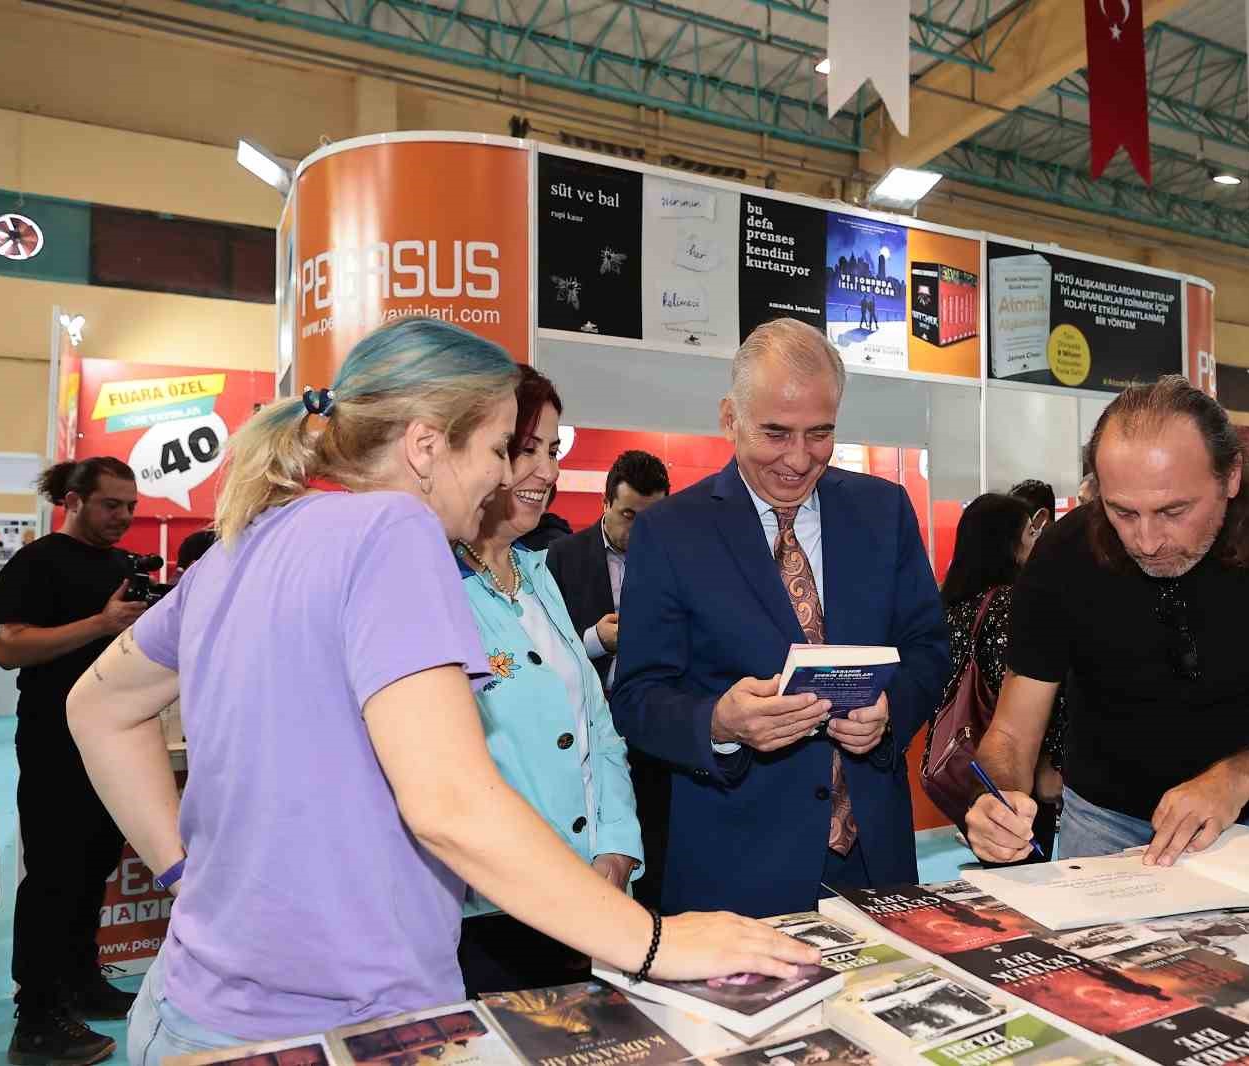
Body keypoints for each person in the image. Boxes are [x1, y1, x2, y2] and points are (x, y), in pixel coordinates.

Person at [62, 320, 818, 1065]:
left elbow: (97, 707)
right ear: (426, 446)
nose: (501, 475)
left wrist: (180, 870)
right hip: (344, 1022)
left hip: (193, 1012)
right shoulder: (393, 528)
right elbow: (449, 803)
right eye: (495, 448)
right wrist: (655, 942)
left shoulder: (248, 539)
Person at [611, 318, 949, 916]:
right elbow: (638, 697)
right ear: (729, 419)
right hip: (737, 866)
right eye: (775, 433)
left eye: (819, 433)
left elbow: (926, 646)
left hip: (877, 858)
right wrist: (719, 721)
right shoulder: (671, 533)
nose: (798, 459)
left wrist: (890, 712)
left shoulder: (883, 510)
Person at [965, 376, 1249, 865]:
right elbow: (1011, 734)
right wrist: (997, 798)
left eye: (1174, 510)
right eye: (1122, 511)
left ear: (1231, 476)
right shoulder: (1062, 554)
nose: (1148, 541)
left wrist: (1236, 779)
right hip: (1102, 827)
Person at [452, 366, 645, 992]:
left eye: (553, 451)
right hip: (488, 917)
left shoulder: (540, 576)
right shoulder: (432, 586)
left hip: (593, 902)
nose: (548, 472)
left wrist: (616, 851)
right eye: (524, 449)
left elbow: (598, 728)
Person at [0, 456, 145, 1065]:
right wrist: (101, 623)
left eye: (130, 507)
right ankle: (37, 1015)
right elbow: (9, 648)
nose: (123, 518)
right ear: (75, 501)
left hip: (116, 736)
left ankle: (80, 980)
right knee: (54, 873)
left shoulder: (124, 565)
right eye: (112, 505)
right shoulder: (40, 561)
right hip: (55, 736)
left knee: (94, 866)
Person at [546, 449, 671, 907]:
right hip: (587, 743)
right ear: (605, 504)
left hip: (656, 741)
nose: (638, 530)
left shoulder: (679, 559)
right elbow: (543, 659)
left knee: (656, 863)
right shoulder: (560, 560)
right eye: (628, 515)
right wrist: (596, 639)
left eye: (651, 517)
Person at [935, 490, 1065, 860]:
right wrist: (1050, 763)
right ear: (1007, 541)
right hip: (1014, 764)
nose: (1036, 541)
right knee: (1025, 859)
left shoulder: (951, 602)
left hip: (960, 753)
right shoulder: (1010, 603)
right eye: (1029, 533)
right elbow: (1024, 690)